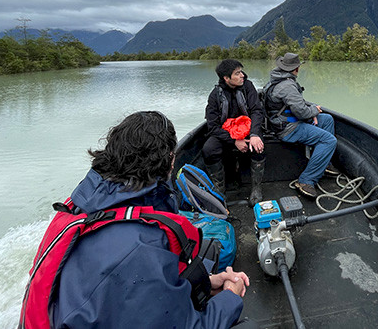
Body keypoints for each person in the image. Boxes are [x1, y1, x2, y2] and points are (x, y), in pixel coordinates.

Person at [19, 111, 256, 329]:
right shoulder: (141, 246)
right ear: (170, 161)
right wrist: (231, 298)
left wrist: (204, 282)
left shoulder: (80, 206)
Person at [263, 52, 337, 198]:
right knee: (329, 140)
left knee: (327, 119)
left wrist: (312, 112)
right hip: (288, 128)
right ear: (296, 68)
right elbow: (302, 112)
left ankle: (324, 163)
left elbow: (297, 106)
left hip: (285, 121)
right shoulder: (287, 86)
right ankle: (306, 180)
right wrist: (313, 111)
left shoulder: (277, 80)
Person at [203, 59, 266, 206]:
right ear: (226, 78)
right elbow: (212, 126)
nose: (242, 75)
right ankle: (219, 191)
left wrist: (255, 134)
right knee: (209, 149)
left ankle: (256, 188)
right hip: (226, 133)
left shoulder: (248, 87)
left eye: (241, 72)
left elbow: (257, 111)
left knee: (258, 147)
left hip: (248, 129)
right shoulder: (215, 95)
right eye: (237, 73)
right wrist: (234, 141)